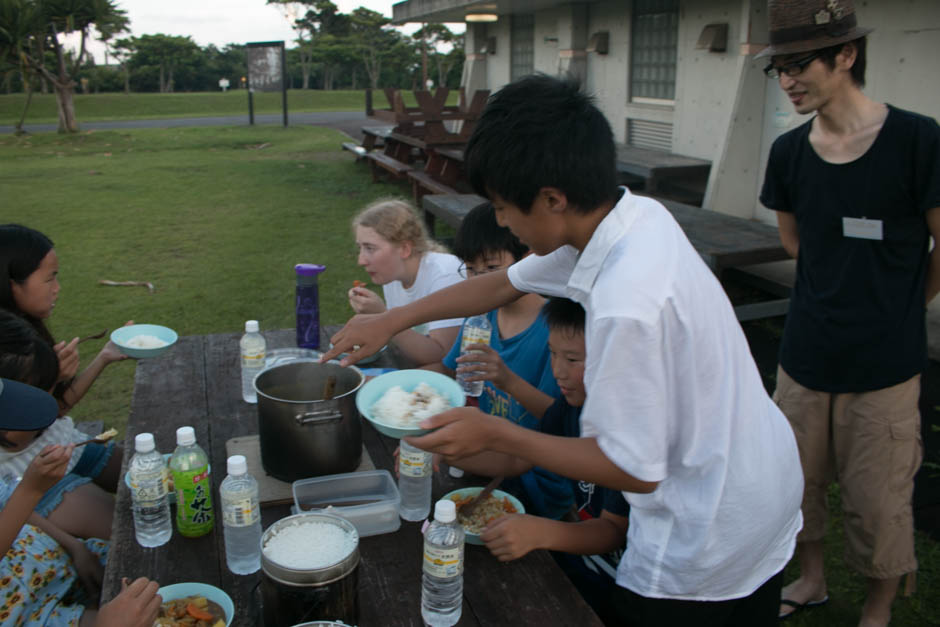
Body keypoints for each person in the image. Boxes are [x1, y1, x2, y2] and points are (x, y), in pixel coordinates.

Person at [323, 74, 804, 627]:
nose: (500, 221)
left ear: (552, 198)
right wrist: (395, 318)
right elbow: (505, 284)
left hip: (710, 516)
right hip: (757, 470)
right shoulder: (627, 217)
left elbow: (634, 468)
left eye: (504, 207)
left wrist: (499, 433)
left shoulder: (629, 302)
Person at [756, 1, 940, 624]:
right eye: (778, 67)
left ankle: (879, 608)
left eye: (798, 63)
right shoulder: (788, 152)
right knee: (797, 483)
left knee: (878, 499)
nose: (787, 79)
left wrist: (902, 305)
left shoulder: (919, 140)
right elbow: (794, 242)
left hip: (885, 364)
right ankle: (811, 579)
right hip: (805, 354)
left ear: (846, 54)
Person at [450, 297, 628, 624]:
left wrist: (543, 533)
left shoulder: (626, 431)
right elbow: (540, 431)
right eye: (553, 353)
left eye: (573, 358)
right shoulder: (574, 409)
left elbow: (613, 531)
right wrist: (506, 380)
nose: (558, 370)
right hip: (583, 558)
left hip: (624, 583)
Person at [430, 202, 571, 519]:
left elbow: (557, 419)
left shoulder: (554, 333)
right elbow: (449, 371)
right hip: (486, 459)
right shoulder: (481, 317)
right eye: (470, 269)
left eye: (491, 269)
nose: (479, 282)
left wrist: (507, 379)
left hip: (536, 479)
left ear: (527, 262)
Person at [0, 377, 162, 626]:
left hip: (52, 564)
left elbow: (9, 507)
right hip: (27, 614)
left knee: (156, 566)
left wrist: (75, 547)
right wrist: (30, 489)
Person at [0, 310, 116, 540]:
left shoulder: (20, 337)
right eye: (48, 278)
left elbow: (53, 411)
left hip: (62, 450)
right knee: (121, 527)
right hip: (33, 480)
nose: (56, 288)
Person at [0, 224, 132, 418]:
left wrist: (105, 356)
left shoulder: (28, 327)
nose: (57, 288)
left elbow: (59, 408)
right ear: (12, 285)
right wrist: (53, 380)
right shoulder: (13, 351)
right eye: (49, 279)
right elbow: (17, 442)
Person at [347, 199, 462, 365]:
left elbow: (442, 358)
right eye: (360, 248)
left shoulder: (446, 275)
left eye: (370, 248)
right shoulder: (392, 275)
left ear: (405, 249)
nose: (361, 261)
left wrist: (383, 317)